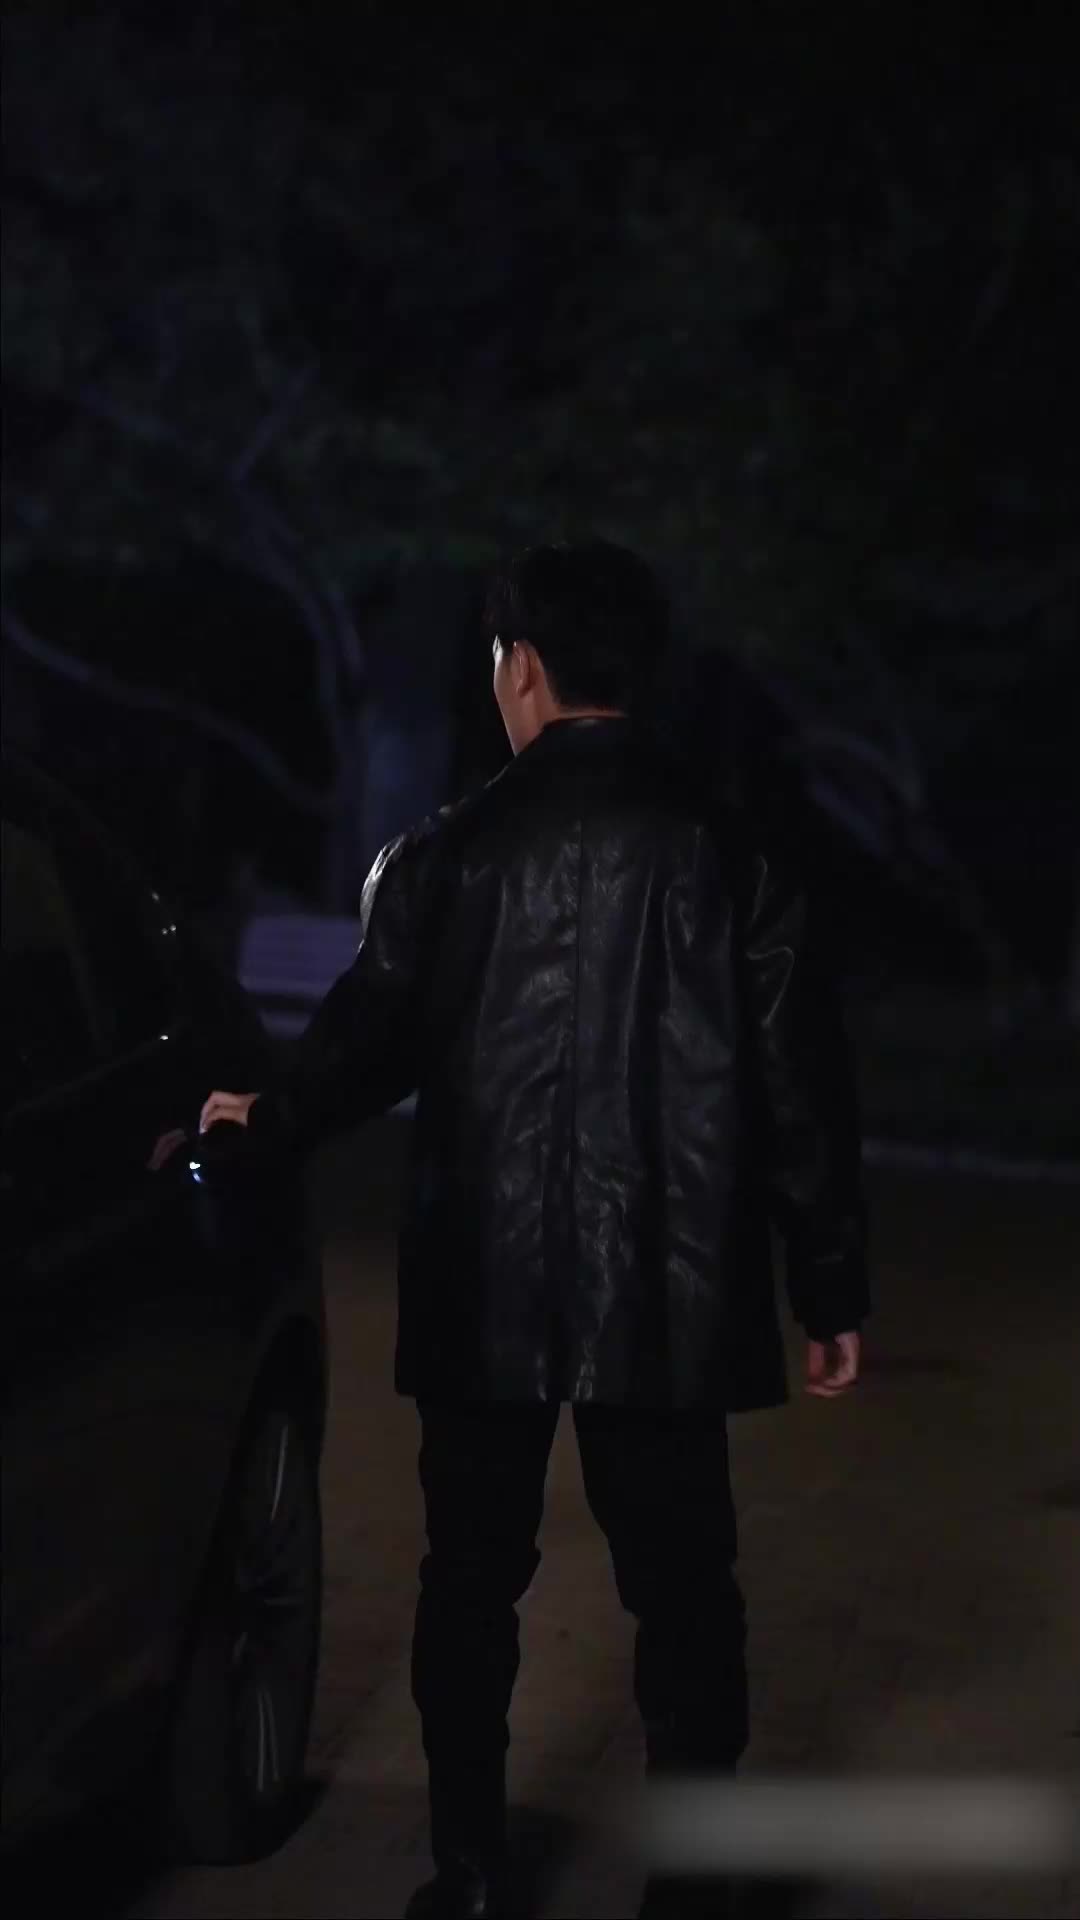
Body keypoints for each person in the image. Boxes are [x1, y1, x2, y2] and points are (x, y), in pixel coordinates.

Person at [201, 542, 869, 1920]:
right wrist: (830, 1284)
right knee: (686, 1595)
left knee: (468, 1585)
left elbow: (364, 1046)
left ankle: (469, 1875)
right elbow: (801, 1086)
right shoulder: (730, 853)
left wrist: (260, 1118)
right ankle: (692, 1889)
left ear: (520, 668)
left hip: (485, 1279)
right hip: (669, 1286)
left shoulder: (449, 854)